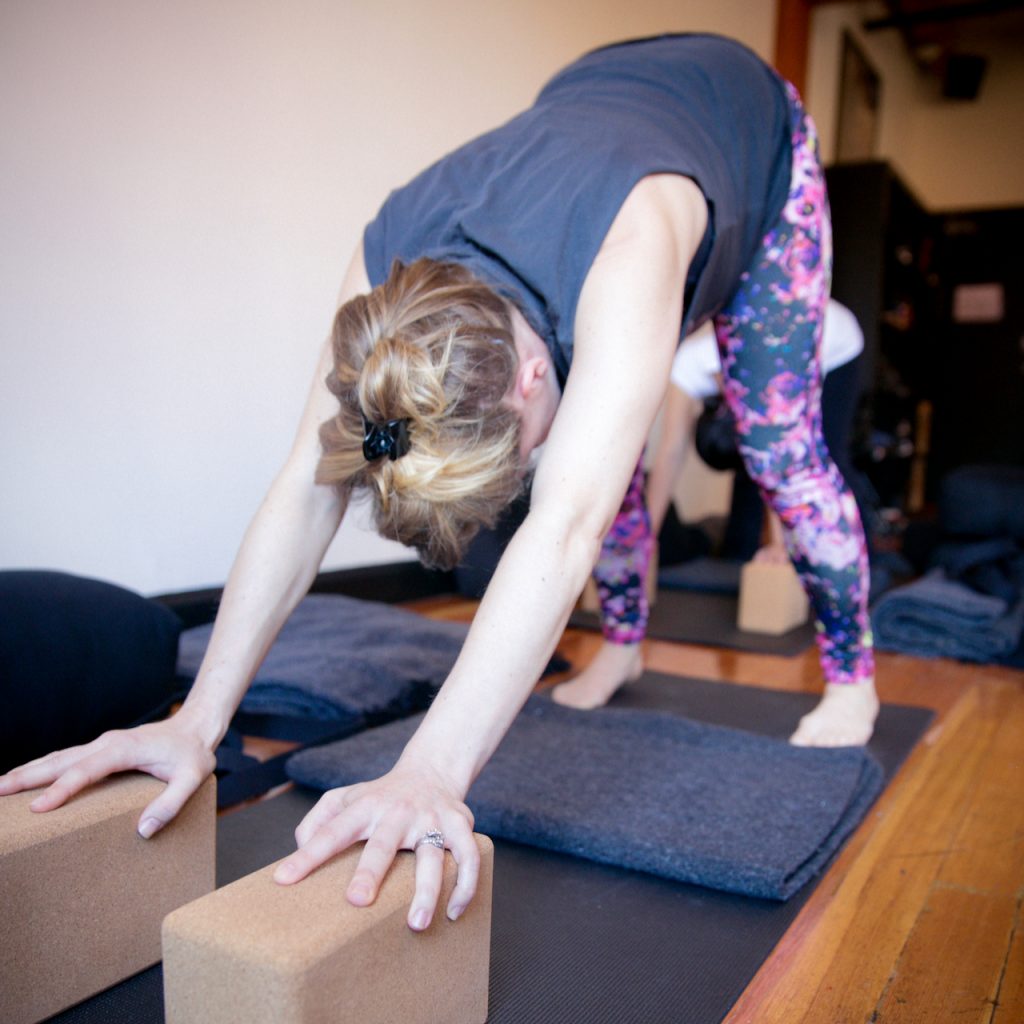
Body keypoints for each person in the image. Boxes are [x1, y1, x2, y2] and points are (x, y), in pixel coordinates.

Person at [0, 34, 877, 933]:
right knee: (604, 465)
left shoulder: (631, 247)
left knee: (779, 450)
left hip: (748, 133)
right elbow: (310, 480)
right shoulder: (389, 269)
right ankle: (624, 643)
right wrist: (198, 720)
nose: (542, 457)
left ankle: (854, 678)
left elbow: (564, 525)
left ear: (534, 379)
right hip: (591, 95)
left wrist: (430, 772)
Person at [553, 298, 868, 709]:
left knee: (819, 459)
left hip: (830, 343)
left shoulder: (767, 359)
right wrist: (650, 534)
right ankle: (623, 647)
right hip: (758, 359)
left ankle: (848, 642)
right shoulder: (687, 365)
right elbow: (668, 454)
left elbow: (780, 456)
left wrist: (778, 544)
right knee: (743, 522)